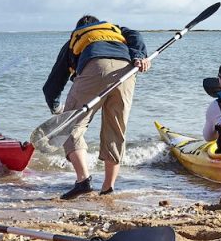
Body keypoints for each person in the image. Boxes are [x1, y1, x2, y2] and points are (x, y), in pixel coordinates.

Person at [42, 15, 150, 199]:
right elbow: (136, 35)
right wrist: (140, 56)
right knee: (116, 130)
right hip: (126, 71)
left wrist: (56, 109)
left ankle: (83, 181)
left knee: (70, 127)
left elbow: (53, 83)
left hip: (96, 67)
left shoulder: (75, 39)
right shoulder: (116, 30)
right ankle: (107, 188)